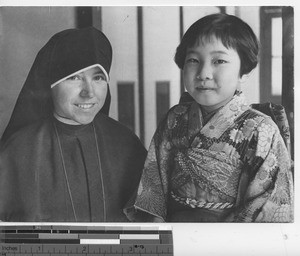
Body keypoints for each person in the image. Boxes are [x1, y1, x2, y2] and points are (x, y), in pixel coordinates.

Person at [124, 13, 293, 222]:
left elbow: (267, 203)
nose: (203, 73)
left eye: (219, 61)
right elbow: (153, 185)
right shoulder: (175, 119)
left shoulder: (261, 129)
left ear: (244, 72)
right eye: (193, 60)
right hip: (175, 234)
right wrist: (159, 230)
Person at [0, 27, 147, 222]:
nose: (89, 92)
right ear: (50, 84)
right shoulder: (17, 151)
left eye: (98, 77)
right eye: (74, 77)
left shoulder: (127, 144)